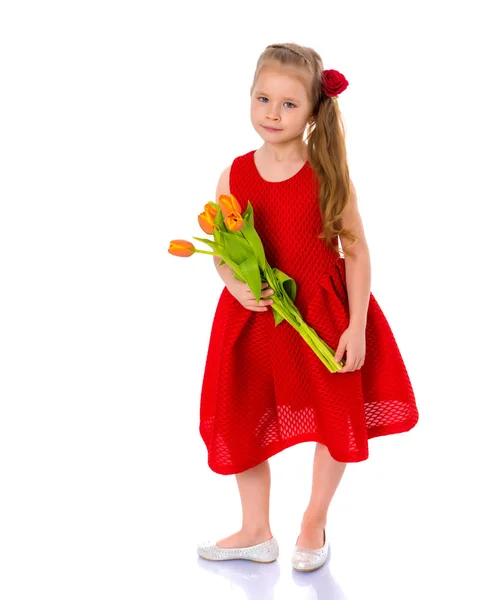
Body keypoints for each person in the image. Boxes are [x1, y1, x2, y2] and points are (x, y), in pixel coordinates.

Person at [196, 42, 419, 571]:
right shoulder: (235, 174)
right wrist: (234, 285)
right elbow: (225, 251)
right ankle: (255, 529)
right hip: (254, 319)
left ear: (315, 111)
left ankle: (313, 519)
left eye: (289, 104)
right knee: (243, 417)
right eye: (262, 99)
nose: (272, 113)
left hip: (321, 315)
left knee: (337, 419)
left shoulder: (326, 176)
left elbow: (357, 252)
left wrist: (358, 325)